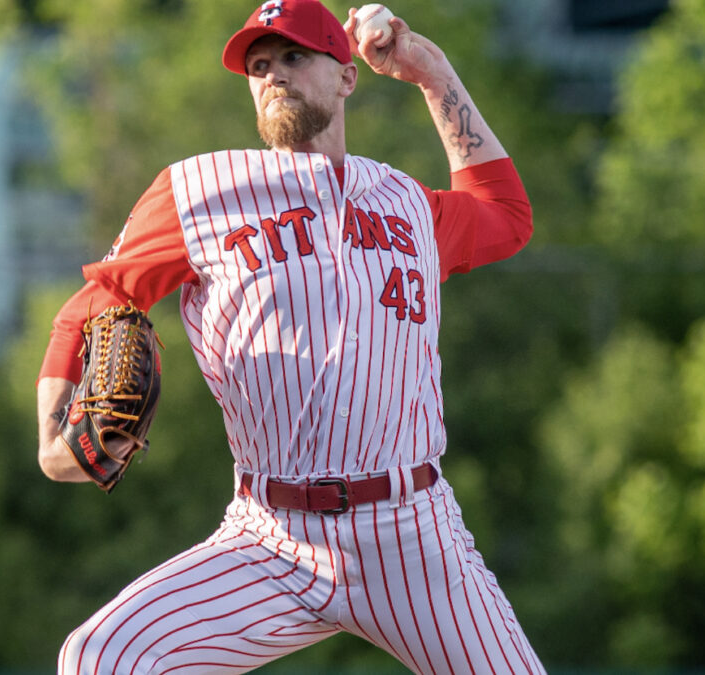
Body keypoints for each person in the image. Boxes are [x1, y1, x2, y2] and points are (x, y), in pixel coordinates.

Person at [35, 1, 546, 672]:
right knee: (101, 656)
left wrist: (431, 70)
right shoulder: (197, 191)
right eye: (259, 65)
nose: (273, 73)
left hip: (412, 532)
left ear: (346, 77)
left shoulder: (406, 203)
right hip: (270, 538)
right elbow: (101, 297)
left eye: (295, 57)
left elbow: (504, 214)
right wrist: (51, 437)